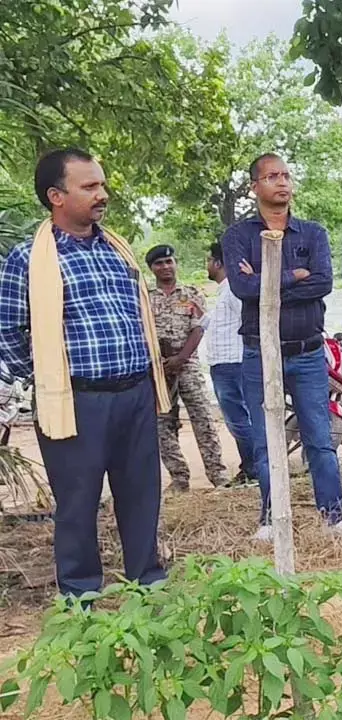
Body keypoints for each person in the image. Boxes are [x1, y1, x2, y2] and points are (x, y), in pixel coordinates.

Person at [0, 149, 170, 596]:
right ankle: (80, 596)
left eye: (102, 184)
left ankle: (147, 585)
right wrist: (48, 379)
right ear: (56, 195)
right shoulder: (29, 259)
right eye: (89, 187)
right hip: (75, 401)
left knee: (141, 496)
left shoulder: (118, 250)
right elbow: (8, 331)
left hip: (134, 394)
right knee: (77, 504)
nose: (102, 194)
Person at [222, 152, 342, 541]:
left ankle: (335, 517)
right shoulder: (238, 237)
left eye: (286, 175)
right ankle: (271, 519)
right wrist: (293, 275)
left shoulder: (312, 233)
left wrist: (271, 280)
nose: (282, 182)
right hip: (259, 353)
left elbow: (322, 283)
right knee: (267, 442)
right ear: (255, 187)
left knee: (320, 439)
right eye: (271, 176)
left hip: (307, 351)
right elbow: (243, 288)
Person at [146, 244, 226, 491]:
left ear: (176, 263)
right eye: (159, 263)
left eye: (169, 261)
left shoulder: (191, 293)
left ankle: (218, 475)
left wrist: (181, 357)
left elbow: (199, 327)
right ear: (151, 268)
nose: (165, 267)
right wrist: (161, 362)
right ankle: (179, 478)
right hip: (158, 370)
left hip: (187, 365)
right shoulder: (145, 297)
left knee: (202, 419)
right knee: (162, 424)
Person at [203, 241, 256, 488]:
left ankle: (254, 469)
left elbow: (247, 320)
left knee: (239, 420)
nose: (206, 266)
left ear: (217, 263)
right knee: (238, 419)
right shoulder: (225, 291)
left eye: (207, 260)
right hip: (225, 364)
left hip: (233, 363)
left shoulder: (234, 289)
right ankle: (252, 468)